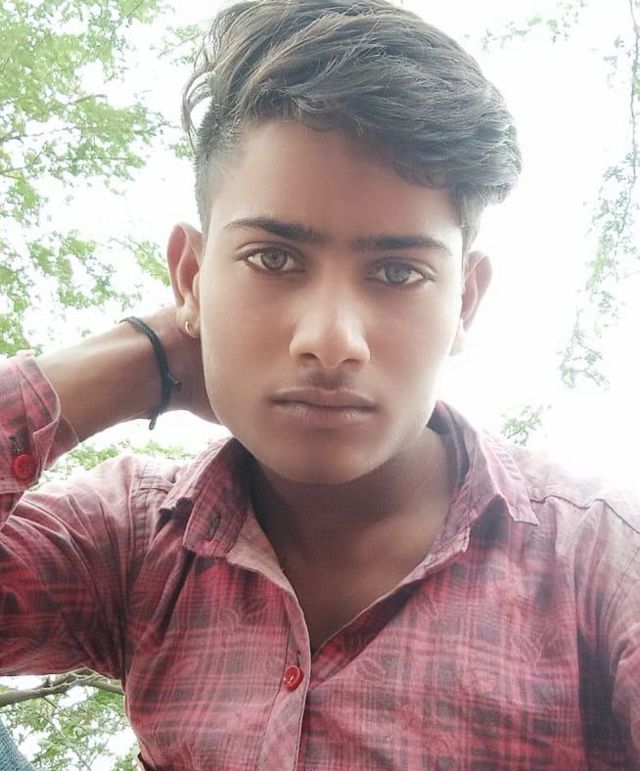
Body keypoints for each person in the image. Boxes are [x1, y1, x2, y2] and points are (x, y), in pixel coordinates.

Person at [0, 0, 638, 768]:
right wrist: (137, 360)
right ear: (192, 277)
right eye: (273, 259)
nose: (332, 340)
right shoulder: (136, 539)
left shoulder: (601, 561)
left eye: (398, 272)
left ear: (465, 301)